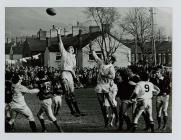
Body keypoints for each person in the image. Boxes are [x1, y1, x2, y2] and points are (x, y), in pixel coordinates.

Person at [56, 27, 85, 117]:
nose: (71, 48)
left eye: (72, 48)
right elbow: (60, 43)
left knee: (72, 94)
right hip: (64, 73)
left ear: (73, 50)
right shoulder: (65, 53)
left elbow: (73, 69)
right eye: (69, 48)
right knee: (67, 93)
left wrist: (76, 77)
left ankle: (77, 111)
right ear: (67, 50)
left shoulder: (74, 58)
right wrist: (59, 33)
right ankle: (72, 111)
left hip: (71, 75)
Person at [91, 49, 118, 127]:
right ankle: (106, 121)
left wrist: (105, 75)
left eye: (109, 58)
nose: (107, 58)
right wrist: (92, 49)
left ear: (111, 60)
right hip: (100, 85)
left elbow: (113, 76)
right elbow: (96, 57)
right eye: (107, 57)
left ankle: (117, 116)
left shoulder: (111, 67)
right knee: (102, 105)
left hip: (107, 86)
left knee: (111, 102)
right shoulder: (101, 62)